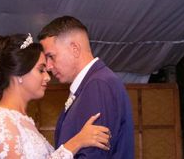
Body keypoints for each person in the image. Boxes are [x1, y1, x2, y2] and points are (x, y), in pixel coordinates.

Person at [0, 33, 111, 159]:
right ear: (19, 74)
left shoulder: (22, 120)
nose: (47, 77)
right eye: (41, 70)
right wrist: (76, 143)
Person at [38, 17, 134, 159]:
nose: (49, 66)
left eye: (51, 56)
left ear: (75, 49)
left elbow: (94, 155)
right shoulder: (91, 84)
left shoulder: (98, 85)